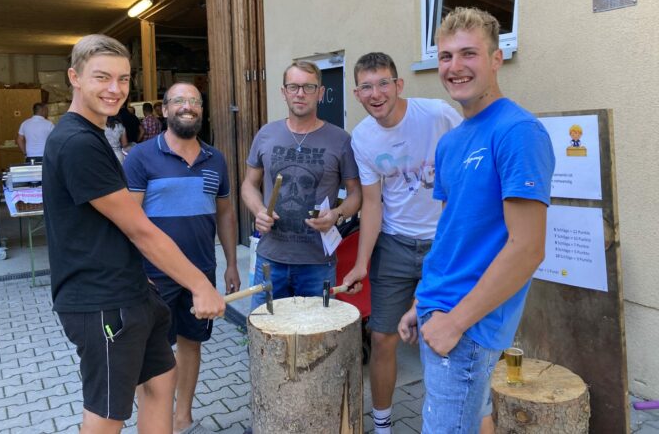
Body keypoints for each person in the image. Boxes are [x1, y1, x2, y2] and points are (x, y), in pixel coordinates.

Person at [43, 34, 225, 434]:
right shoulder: (77, 142)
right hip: (101, 300)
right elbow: (140, 229)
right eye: (102, 77)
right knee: (108, 413)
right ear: (74, 77)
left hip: (131, 290)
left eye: (123, 79)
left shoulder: (95, 135)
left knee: (161, 380)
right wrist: (199, 285)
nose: (115, 89)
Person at [398, 7, 555, 434]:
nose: (455, 67)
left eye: (469, 54)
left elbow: (528, 248)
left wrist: (454, 321)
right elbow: (450, 236)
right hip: (439, 309)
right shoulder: (451, 142)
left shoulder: (517, 132)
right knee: (477, 418)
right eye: (446, 56)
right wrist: (420, 302)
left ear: (496, 58)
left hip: (468, 325)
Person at [341, 52, 462, 434]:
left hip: (443, 244)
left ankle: (447, 420)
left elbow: (467, 168)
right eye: (366, 87)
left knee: (444, 339)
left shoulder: (438, 115)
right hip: (394, 244)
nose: (376, 94)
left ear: (398, 85)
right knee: (381, 337)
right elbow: (372, 204)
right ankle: (382, 426)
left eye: (383, 83)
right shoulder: (363, 137)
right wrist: (361, 264)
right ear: (356, 94)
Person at [124, 82, 240, 434]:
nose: (187, 106)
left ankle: (182, 418)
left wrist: (231, 263)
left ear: (202, 110)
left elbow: (225, 214)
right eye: (179, 101)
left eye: (194, 101)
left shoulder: (215, 158)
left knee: (192, 343)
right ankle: (154, 423)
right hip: (153, 274)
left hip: (201, 273)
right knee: (153, 353)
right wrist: (134, 271)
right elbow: (129, 221)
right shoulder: (141, 157)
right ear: (164, 109)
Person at [241, 60, 361, 309]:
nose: (300, 93)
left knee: (317, 332)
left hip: (317, 263)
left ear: (320, 92)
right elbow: (249, 185)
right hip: (270, 258)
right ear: (283, 92)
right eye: (293, 87)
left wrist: (337, 214)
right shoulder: (266, 134)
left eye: (308, 87)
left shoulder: (340, 140)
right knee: (266, 328)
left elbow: (356, 195)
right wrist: (259, 211)